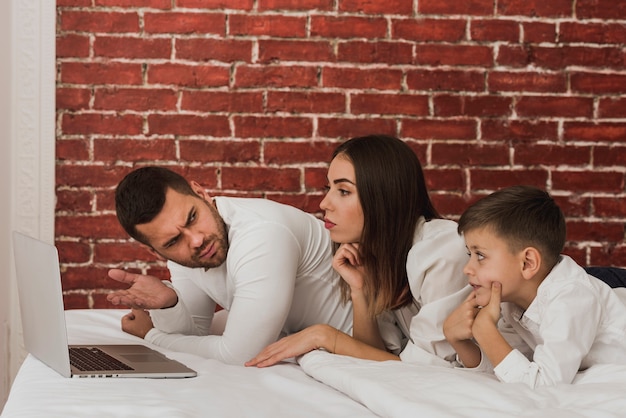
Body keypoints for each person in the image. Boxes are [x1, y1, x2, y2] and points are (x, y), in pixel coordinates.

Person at [246, 135, 471, 368]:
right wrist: (360, 290)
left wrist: (323, 336)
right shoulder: (380, 255)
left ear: (384, 197)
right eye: (328, 188)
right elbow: (375, 358)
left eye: (343, 191)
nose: (324, 204)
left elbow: (427, 370)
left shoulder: (442, 251)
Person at [106, 166, 353, 365]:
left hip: (356, 345)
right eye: (173, 241)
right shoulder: (186, 253)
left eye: (192, 217)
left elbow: (240, 355)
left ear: (201, 193)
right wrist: (169, 305)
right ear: (155, 251)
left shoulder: (261, 233)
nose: (196, 240)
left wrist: (151, 334)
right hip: (302, 337)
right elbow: (194, 335)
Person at [443, 185, 626, 388]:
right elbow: (507, 364)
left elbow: (544, 385)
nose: (467, 269)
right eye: (470, 255)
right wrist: (460, 342)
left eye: (480, 256)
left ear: (527, 263)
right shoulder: (512, 303)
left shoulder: (571, 299)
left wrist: (486, 331)